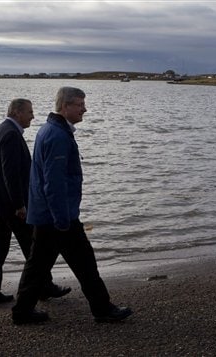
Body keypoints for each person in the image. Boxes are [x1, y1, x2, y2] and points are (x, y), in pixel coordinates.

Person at [11, 87, 133, 325]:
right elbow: (54, 183)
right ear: (65, 107)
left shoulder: (51, 130)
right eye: (79, 104)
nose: (84, 109)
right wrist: (62, 220)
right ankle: (102, 309)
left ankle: (22, 311)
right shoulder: (56, 136)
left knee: (38, 266)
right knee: (84, 263)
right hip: (58, 217)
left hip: (47, 215)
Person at [0, 98, 71, 306]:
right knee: (35, 248)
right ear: (16, 112)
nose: (33, 116)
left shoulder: (0, 131)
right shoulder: (11, 135)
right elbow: (10, 174)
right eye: (29, 112)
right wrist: (19, 205)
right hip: (12, 207)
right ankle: (44, 287)